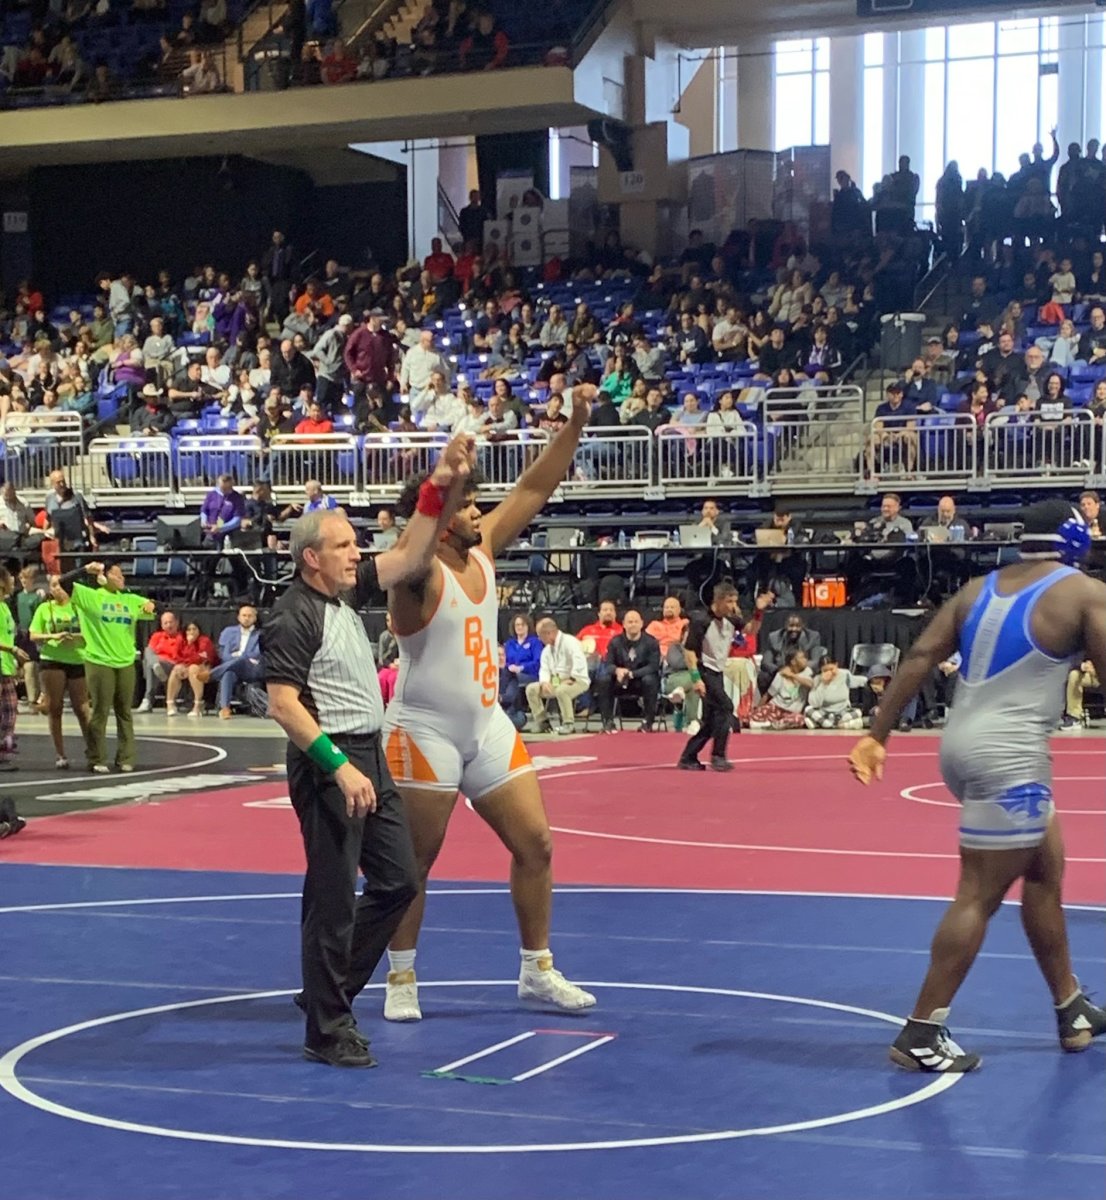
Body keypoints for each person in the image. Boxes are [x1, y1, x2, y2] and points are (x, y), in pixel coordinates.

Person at [848, 499, 1106, 1071]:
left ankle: (1071, 1008)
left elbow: (919, 655)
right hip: (1010, 761)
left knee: (1043, 872)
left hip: (960, 749)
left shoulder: (978, 587)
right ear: (1075, 541)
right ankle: (920, 1031)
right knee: (979, 893)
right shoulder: (1085, 593)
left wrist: (877, 736)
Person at [379, 388, 599, 1024]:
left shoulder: (482, 549)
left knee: (537, 843)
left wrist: (576, 424)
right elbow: (421, 539)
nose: (480, 512)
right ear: (443, 517)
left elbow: (535, 488)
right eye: (468, 505)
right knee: (415, 863)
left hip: (485, 723)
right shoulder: (413, 578)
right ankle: (401, 977)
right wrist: (449, 477)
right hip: (424, 732)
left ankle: (537, 970)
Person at [263, 434, 475, 1068]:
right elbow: (283, 704)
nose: (358, 553)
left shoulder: (343, 594)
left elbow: (412, 552)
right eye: (344, 546)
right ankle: (326, 1030)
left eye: (356, 543)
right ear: (310, 559)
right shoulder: (295, 613)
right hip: (332, 758)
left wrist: (439, 480)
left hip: (368, 753)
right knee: (331, 897)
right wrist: (337, 765)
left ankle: (327, 993)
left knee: (399, 881)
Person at [57, 561, 156, 773]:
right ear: (106, 576)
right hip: (99, 659)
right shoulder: (91, 596)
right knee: (100, 711)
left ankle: (126, 757)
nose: (122, 579)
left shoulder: (129, 599)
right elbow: (63, 582)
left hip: (125, 660)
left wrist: (151, 606)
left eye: (123, 576)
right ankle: (96, 757)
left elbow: (154, 607)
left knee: (124, 711)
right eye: (117, 575)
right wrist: (85, 570)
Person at [29, 574, 93, 769]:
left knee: (82, 708)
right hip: (52, 660)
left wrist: (76, 636)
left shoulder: (79, 607)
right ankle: (60, 754)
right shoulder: (44, 608)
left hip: (77, 658)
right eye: (53, 586)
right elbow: (33, 635)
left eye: (59, 585)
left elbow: (91, 631)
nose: (56, 589)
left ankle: (93, 750)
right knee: (54, 707)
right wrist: (52, 635)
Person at [677, 579, 741, 772]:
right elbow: (689, 652)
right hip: (705, 671)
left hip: (718, 672)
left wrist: (759, 612)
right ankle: (718, 756)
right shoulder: (701, 621)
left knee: (712, 720)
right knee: (726, 707)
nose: (733, 606)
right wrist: (696, 679)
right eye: (729, 602)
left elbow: (750, 630)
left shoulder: (731, 619)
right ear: (719, 601)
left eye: (735, 601)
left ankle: (689, 756)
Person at [595, 609, 661, 732]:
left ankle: (648, 722)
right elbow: (608, 664)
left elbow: (653, 666)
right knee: (604, 679)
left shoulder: (651, 642)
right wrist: (617, 670)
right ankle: (607, 721)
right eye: (630, 622)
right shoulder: (615, 642)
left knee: (650, 680)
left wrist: (632, 674)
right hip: (620, 681)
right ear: (624, 624)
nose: (633, 624)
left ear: (641, 623)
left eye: (636, 621)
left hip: (640, 680)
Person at [525, 617, 591, 735]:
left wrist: (572, 678)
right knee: (531, 689)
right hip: (556, 681)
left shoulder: (570, 642)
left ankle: (568, 723)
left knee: (561, 691)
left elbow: (579, 662)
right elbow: (544, 668)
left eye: (540, 635)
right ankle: (542, 722)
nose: (539, 638)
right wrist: (544, 682)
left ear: (549, 633)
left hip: (577, 680)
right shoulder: (547, 650)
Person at [210, 605, 263, 719]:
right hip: (233, 667)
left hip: (252, 669)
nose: (246, 618)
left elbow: (257, 654)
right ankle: (225, 708)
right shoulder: (228, 632)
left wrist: (239, 657)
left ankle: (212, 674)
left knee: (240, 660)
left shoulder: (261, 635)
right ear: (239, 617)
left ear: (255, 618)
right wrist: (236, 659)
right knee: (228, 673)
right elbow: (224, 654)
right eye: (244, 615)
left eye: (250, 616)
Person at [0, 568, 28, 772]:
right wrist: (13, 649)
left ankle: (3, 751)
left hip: (6, 665)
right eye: (10, 577)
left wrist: (15, 662)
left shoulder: (5, 607)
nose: (13, 579)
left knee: (10, 710)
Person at [165, 622, 219, 718]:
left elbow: (201, 658)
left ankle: (197, 706)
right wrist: (182, 666)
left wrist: (190, 645)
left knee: (193, 669)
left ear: (199, 630)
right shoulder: (181, 640)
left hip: (205, 668)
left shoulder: (204, 641)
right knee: (176, 670)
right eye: (189, 629)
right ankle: (170, 704)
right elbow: (176, 657)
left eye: (194, 629)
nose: (191, 632)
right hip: (187, 667)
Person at [136, 610, 184, 712]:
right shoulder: (157, 636)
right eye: (165, 623)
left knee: (150, 664)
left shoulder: (182, 637)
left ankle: (147, 700)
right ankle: (155, 666)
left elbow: (182, 656)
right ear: (162, 625)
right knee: (148, 653)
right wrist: (156, 662)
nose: (169, 625)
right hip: (157, 663)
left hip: (173, 665)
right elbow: (150, 651)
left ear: (177, 623)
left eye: (171, 622)